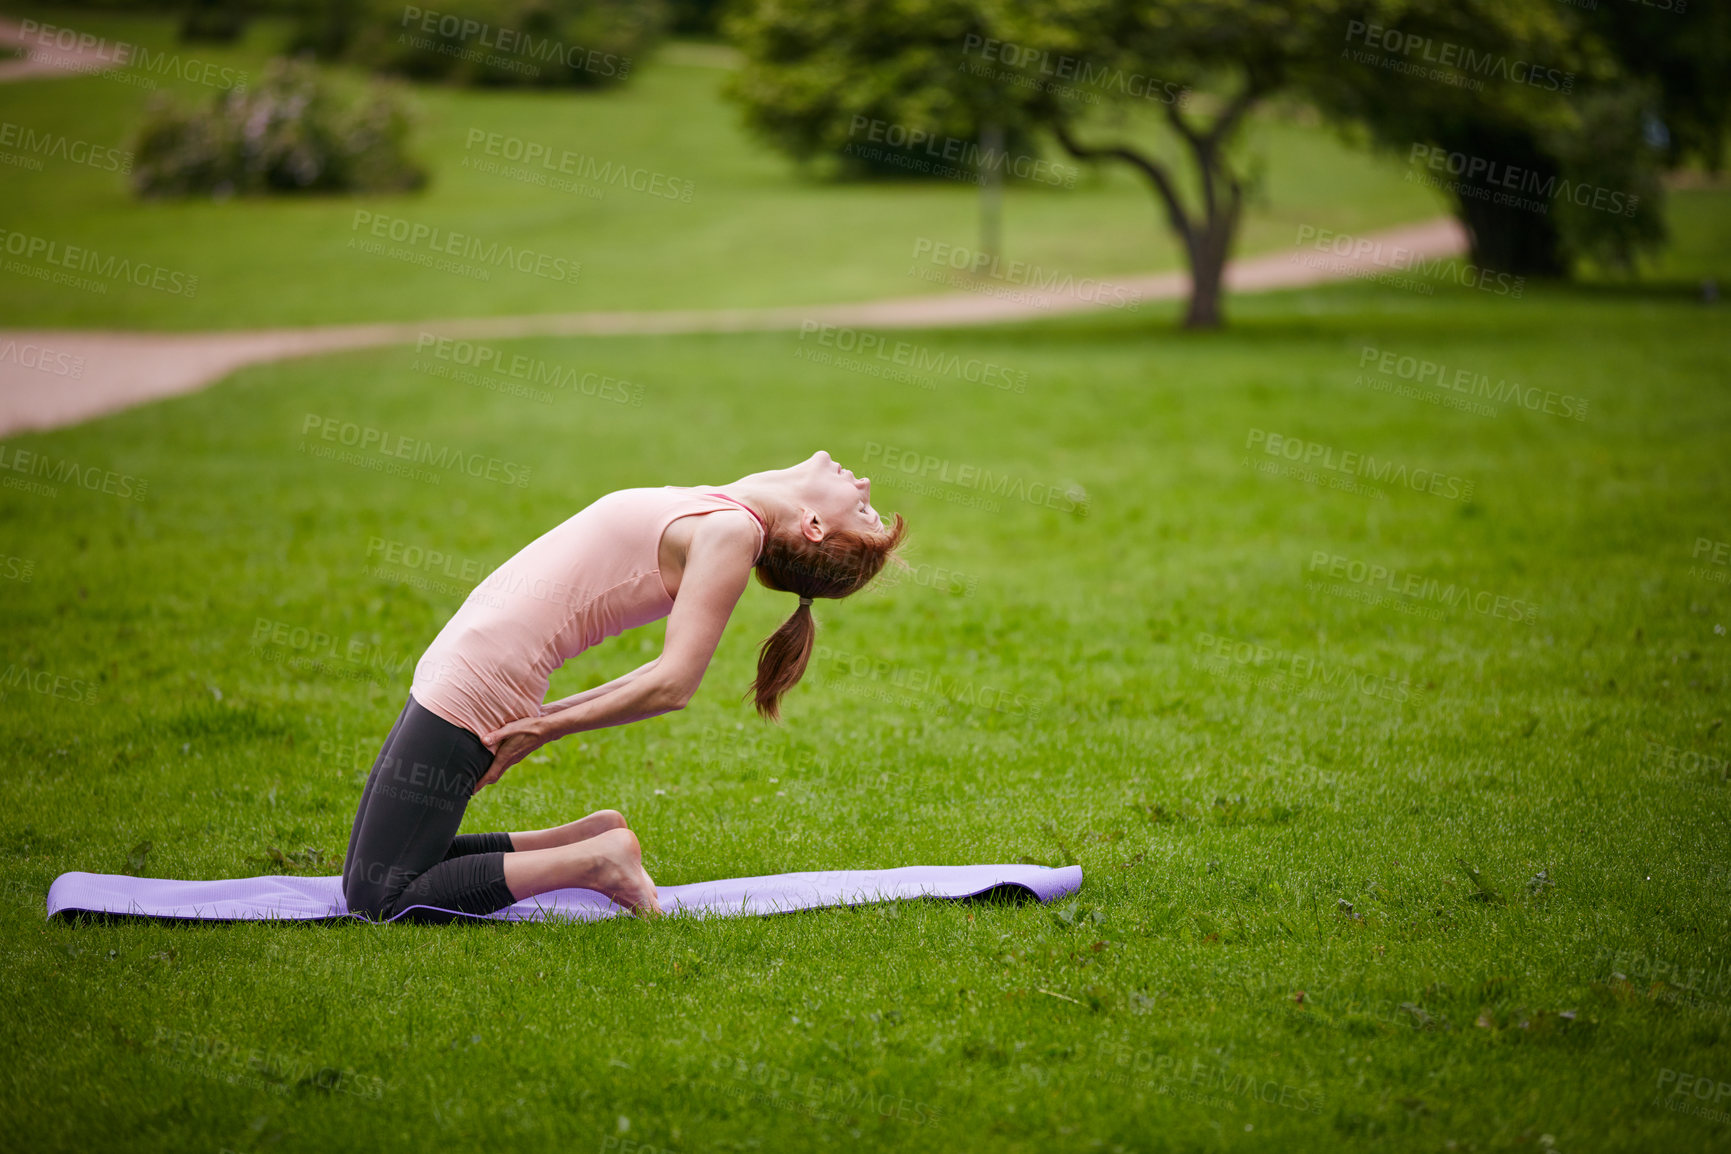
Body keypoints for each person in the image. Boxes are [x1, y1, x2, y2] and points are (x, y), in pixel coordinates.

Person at [340, 451, 906, 922]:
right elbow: (656, 675)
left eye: (861, 507)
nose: (862, 481)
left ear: (813, 525)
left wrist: (547, 725)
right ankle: (585, 843)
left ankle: (599, 864)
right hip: (465, 669)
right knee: (377, 873)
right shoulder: (726, 507)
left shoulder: (732, 531)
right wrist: (545, 720)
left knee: (378, 898)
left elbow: (673, 682)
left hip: (476, 684)